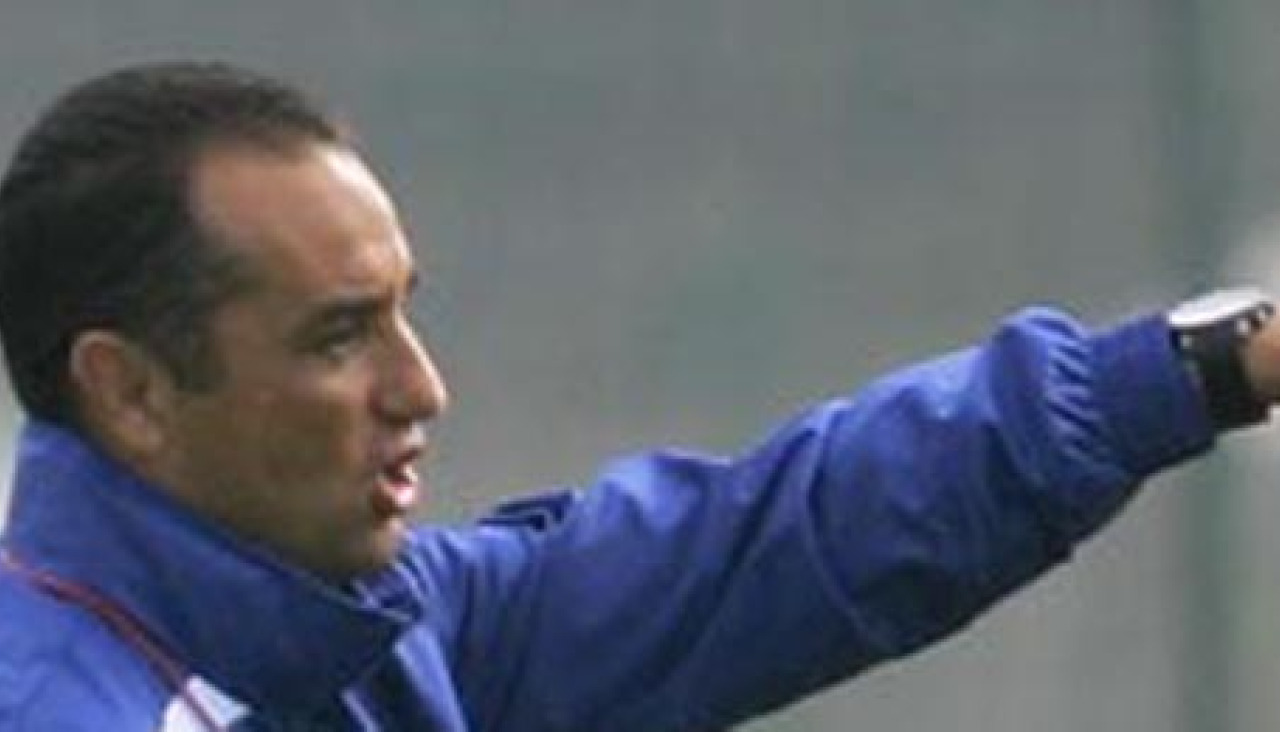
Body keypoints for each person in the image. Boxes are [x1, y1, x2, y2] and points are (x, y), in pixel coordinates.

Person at [0, 61, 1276, 732]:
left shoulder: (374, 635)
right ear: (131, 391)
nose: (419, 386)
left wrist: (1204, 368)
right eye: (338, 337)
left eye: (402, 312)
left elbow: (774, 544)